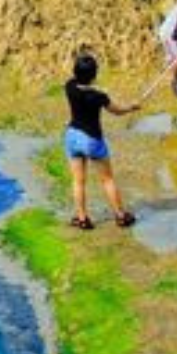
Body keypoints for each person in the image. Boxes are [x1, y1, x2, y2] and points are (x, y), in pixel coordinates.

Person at [64, 51, 138, 230]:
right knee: (107, 180)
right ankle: (121, 216)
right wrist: (132, 107)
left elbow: (78, 82)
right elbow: (117, 111)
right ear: (94, 75)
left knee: (78, 181)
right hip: (92, 140)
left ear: (75, 72)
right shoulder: (98, 97)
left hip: (72, 136)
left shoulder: (69, 86)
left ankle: (82, 219)